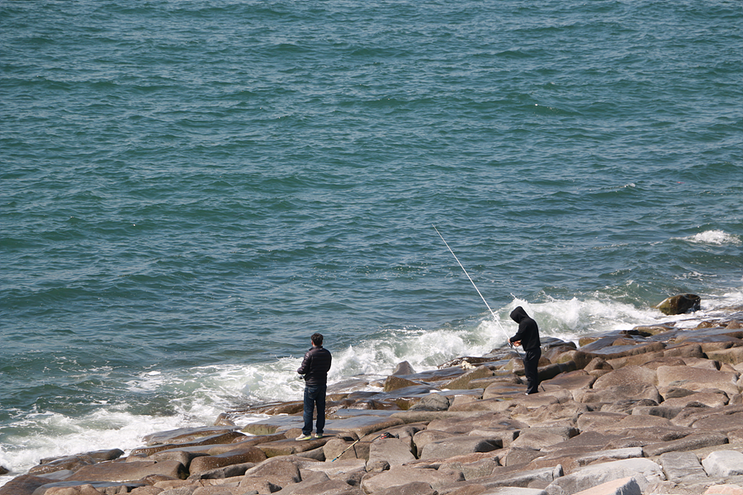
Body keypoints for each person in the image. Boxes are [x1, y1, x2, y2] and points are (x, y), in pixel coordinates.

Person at [296, 332, 332, 440]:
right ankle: (319, 432)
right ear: (321, 342)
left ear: (312, 342)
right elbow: (327, 368)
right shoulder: (327, 353)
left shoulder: (309, 354)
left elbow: (303, 370)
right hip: (322, 384)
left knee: (308, 410)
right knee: (321, 409)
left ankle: (307, 433)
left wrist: (298, 370)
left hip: (311, 385)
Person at [508, 306, 541, 395]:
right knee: (533, 370)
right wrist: (521, 343)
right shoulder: (531, 321)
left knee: (529, 371)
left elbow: (519, 335)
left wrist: (511, 339)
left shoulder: (524, 323)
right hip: (536, 350)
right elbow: (530, 336)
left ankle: (531, 390)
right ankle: (534, 388)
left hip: (531, 351)